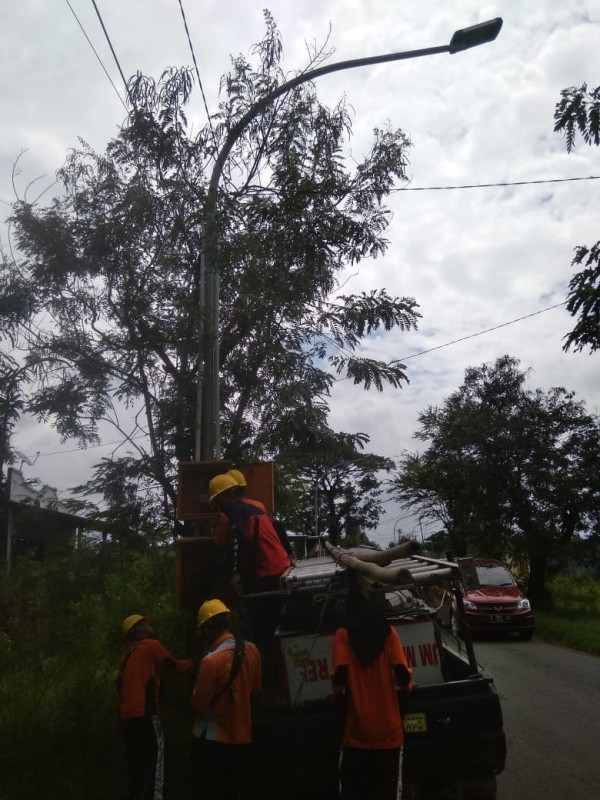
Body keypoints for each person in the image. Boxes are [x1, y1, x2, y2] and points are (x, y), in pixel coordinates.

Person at [331, 584, 414, 800]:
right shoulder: (388, 634)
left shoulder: (342, 636)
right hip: (389, 734)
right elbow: (404, 679)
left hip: (356, 735)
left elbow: (339, 680)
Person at [116, 614, 195, 800]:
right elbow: (173, 665)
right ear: (138, 629)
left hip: (126, 719)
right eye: (145, 623)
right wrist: (197, 662)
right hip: (146, 715)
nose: (149, 626)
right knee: (156, 761)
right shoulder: (151, 645)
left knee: (135, 764)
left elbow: (118, 690)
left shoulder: (125, 656)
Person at [190, 599, 261, 800]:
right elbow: (255, 689)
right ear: (228, 622)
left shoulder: (210, 662)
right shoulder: (252, 650)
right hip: (243, 737)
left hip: (213, 741)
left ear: (206, 630)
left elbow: (199, 705)